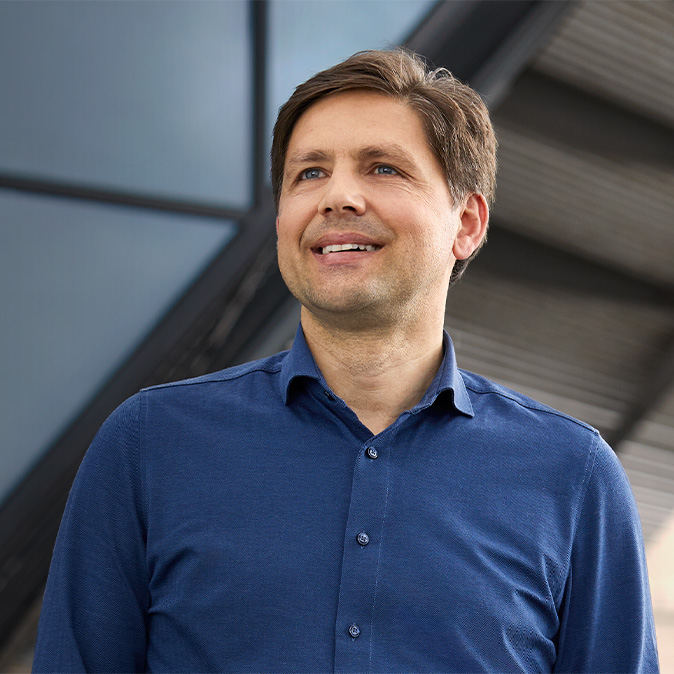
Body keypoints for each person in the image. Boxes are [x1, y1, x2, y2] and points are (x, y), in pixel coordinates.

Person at [33, 49, 658, 673]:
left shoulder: (572, 475)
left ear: (465, 222)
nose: (338, 196)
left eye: (382, 168)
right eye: (309, 174)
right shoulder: (150, 445)